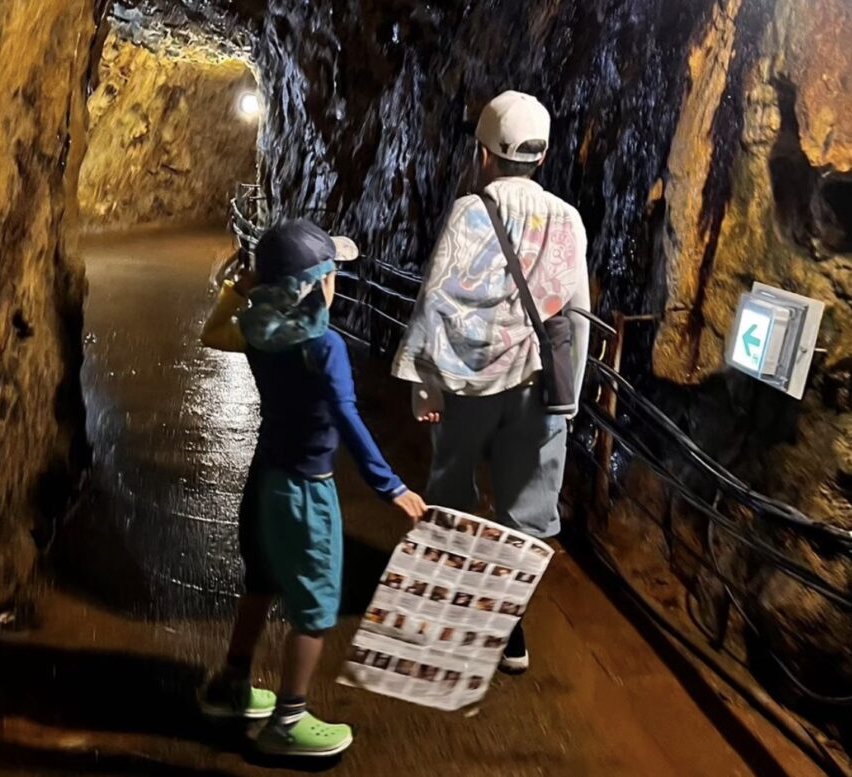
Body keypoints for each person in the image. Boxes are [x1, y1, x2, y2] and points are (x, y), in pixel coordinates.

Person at [200, 219, 426, 757]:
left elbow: (211, 333)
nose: (336, 283)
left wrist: (241, 286)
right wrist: (389, 486)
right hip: (305, 489)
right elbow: (347, 419)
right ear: (315, 284)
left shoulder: (257, 332)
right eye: (331, 274)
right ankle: (288, 721)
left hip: (264, 477)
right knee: (317, 608)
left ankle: (230, 684)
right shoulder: (325, 348)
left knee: (261, 578)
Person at [391, 91, 590, 674]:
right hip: (539, 387)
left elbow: (439, 299)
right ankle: (506, 630)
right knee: (525, 510)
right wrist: (568, 394)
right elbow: (574, 313)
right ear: (542, 156)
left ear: (484, 154)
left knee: (453, 491)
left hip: (471, 383)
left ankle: (452, 610)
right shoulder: (568, 219)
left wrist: (424, 383)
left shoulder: (470, 211)